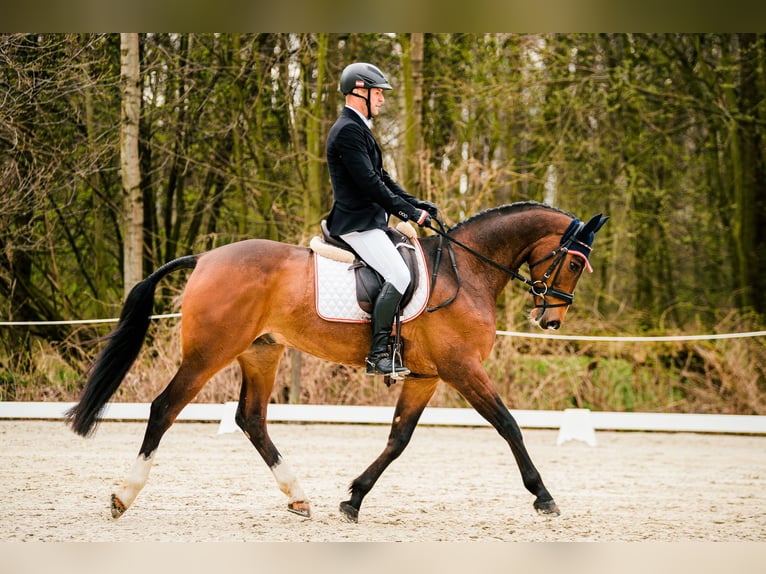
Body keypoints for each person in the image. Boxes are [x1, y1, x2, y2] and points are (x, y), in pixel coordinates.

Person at [325, 62, 438, 379]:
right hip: (356, 224)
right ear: (359, 92)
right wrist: (410, 214)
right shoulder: (347, 131)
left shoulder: (359, 128)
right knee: (400, 276)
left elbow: (382, 178)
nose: (382, 99)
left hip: (370, 221)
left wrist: (416, 203)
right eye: (378, 93)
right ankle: (377, 355)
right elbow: (370, 186)